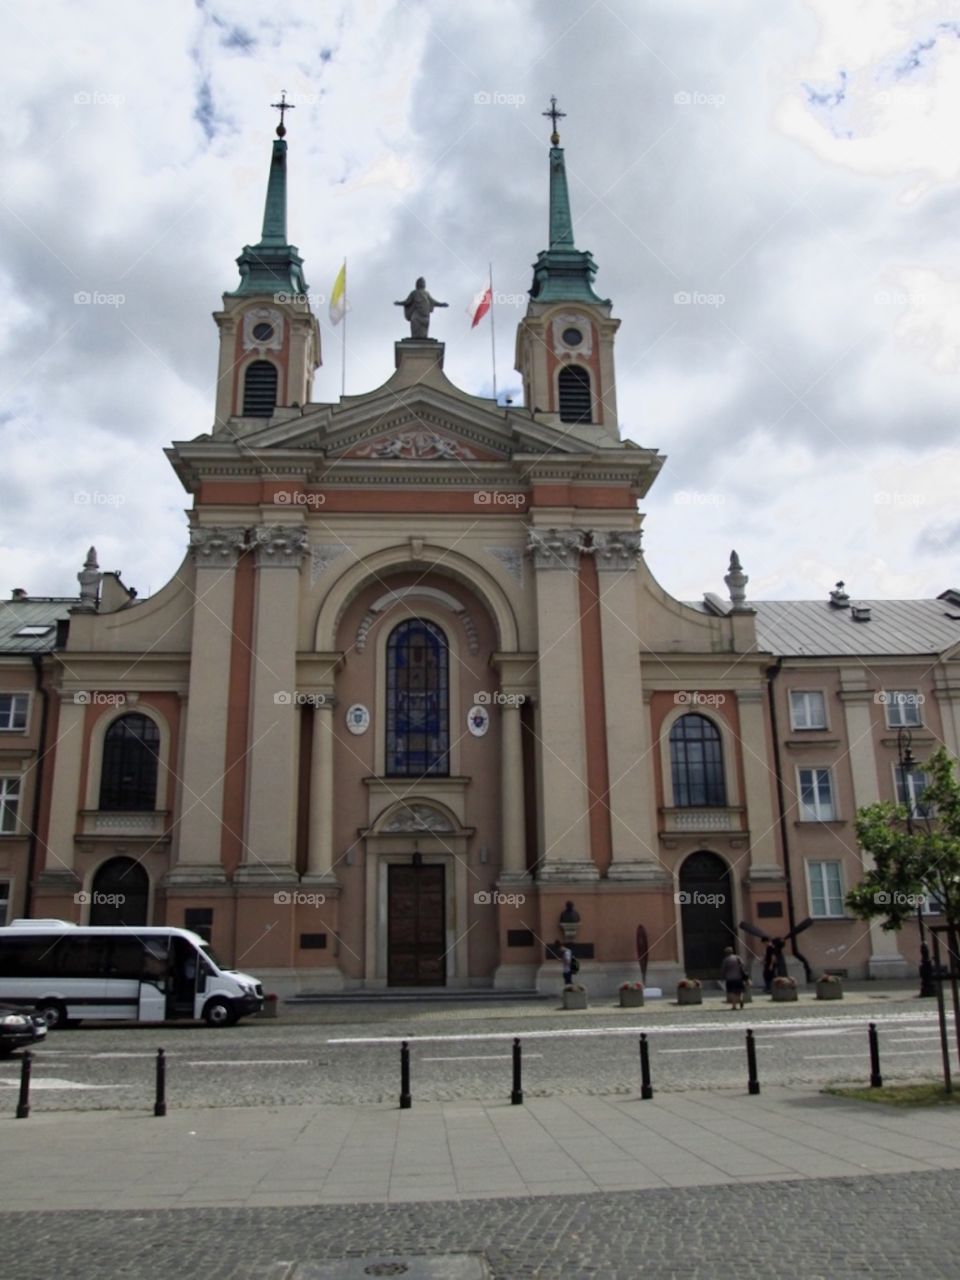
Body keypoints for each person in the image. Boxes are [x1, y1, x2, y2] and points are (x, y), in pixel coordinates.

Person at [721, 946, 747, 1010]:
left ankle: (734, 1006)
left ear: (726, 953)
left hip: (730, 978)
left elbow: (723, 969)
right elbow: (743, 965)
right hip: (739, 977)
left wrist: (723, 977)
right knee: (740, 991)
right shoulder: (737, 957)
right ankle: (741, 999)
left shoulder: (726, 960)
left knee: (732, 992)